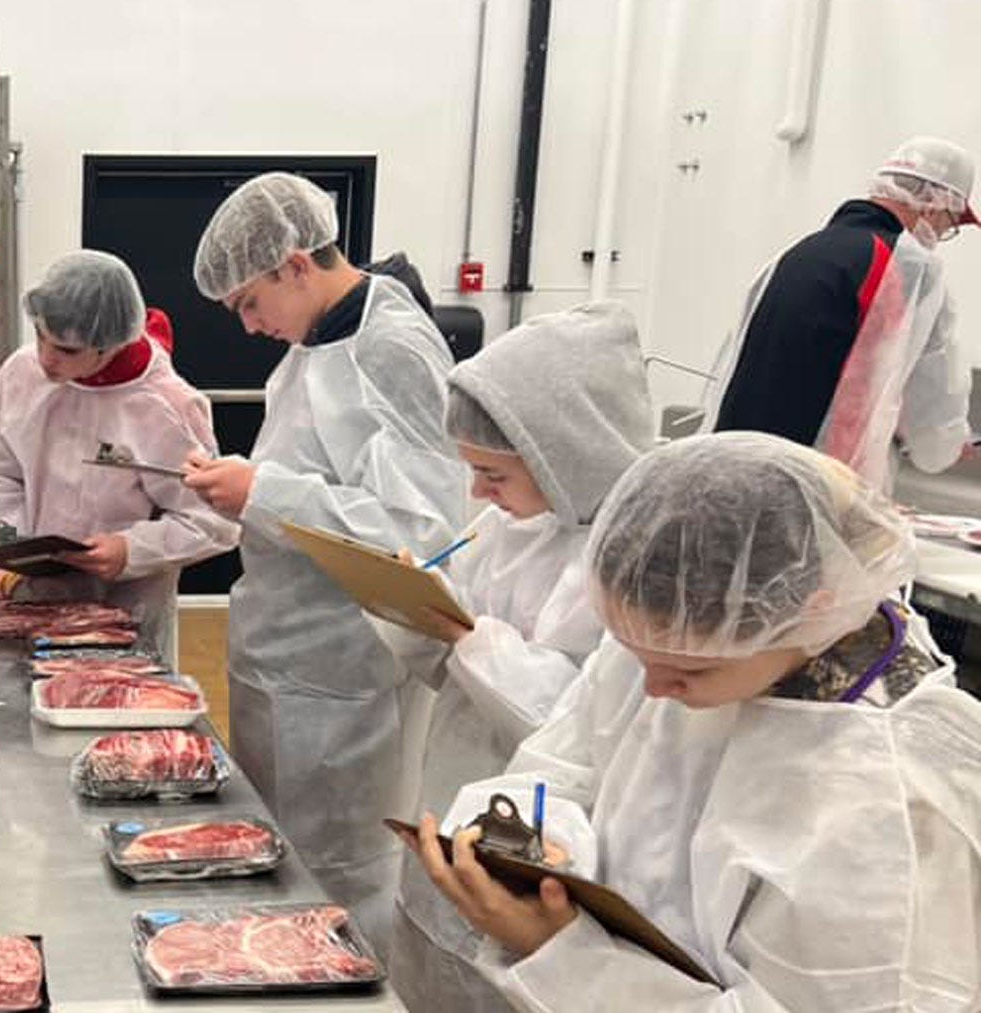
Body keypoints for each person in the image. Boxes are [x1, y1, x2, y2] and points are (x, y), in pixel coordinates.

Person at [409, 433, 981, 1011]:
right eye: (637, 658)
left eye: (690, 671)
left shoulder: (891, 799)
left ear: (807, 611)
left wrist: (559, 955)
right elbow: (562, 763)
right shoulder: (677, 634)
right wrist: (538, 854)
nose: (655, 690)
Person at [183, 171, 468, 948]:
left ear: (295, 264)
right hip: (282, 649)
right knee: (277, 858)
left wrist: (263, 490)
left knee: (341, 875)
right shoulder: (316, 344)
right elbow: (324, 476)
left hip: (345, 670)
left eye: (249, 301)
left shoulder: (391, 349)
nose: (247, 325)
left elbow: (420, 531)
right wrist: (247, 490)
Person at [380, 302, 656, 1012]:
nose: (478, 493)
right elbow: (446, 665)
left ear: (564, 456)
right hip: (454, 778)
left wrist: (469, 636)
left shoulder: (635, 562)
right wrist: (412, 607)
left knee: (494, 981)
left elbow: (573, 721)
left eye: (494, 474)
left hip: (539, 841)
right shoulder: (510, 524)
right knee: (428, 964)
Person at [0, 250, 238, 662]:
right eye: (40, 335)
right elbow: (2, 475)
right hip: (29, 604)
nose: (45, 358)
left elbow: (213, 520)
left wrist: (131, 550)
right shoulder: (20, 374)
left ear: (110, 345)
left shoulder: (166, 405)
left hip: (127, 615)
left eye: (64, 348)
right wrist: (7, 547)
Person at [706, 137, 976, 489]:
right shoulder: (909, 268)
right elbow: (932, 411)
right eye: (949, 224)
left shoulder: (798, 254)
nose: (942, 234)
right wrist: (948, 443)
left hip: (728, 473)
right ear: (934, 206)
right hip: (813, 489)